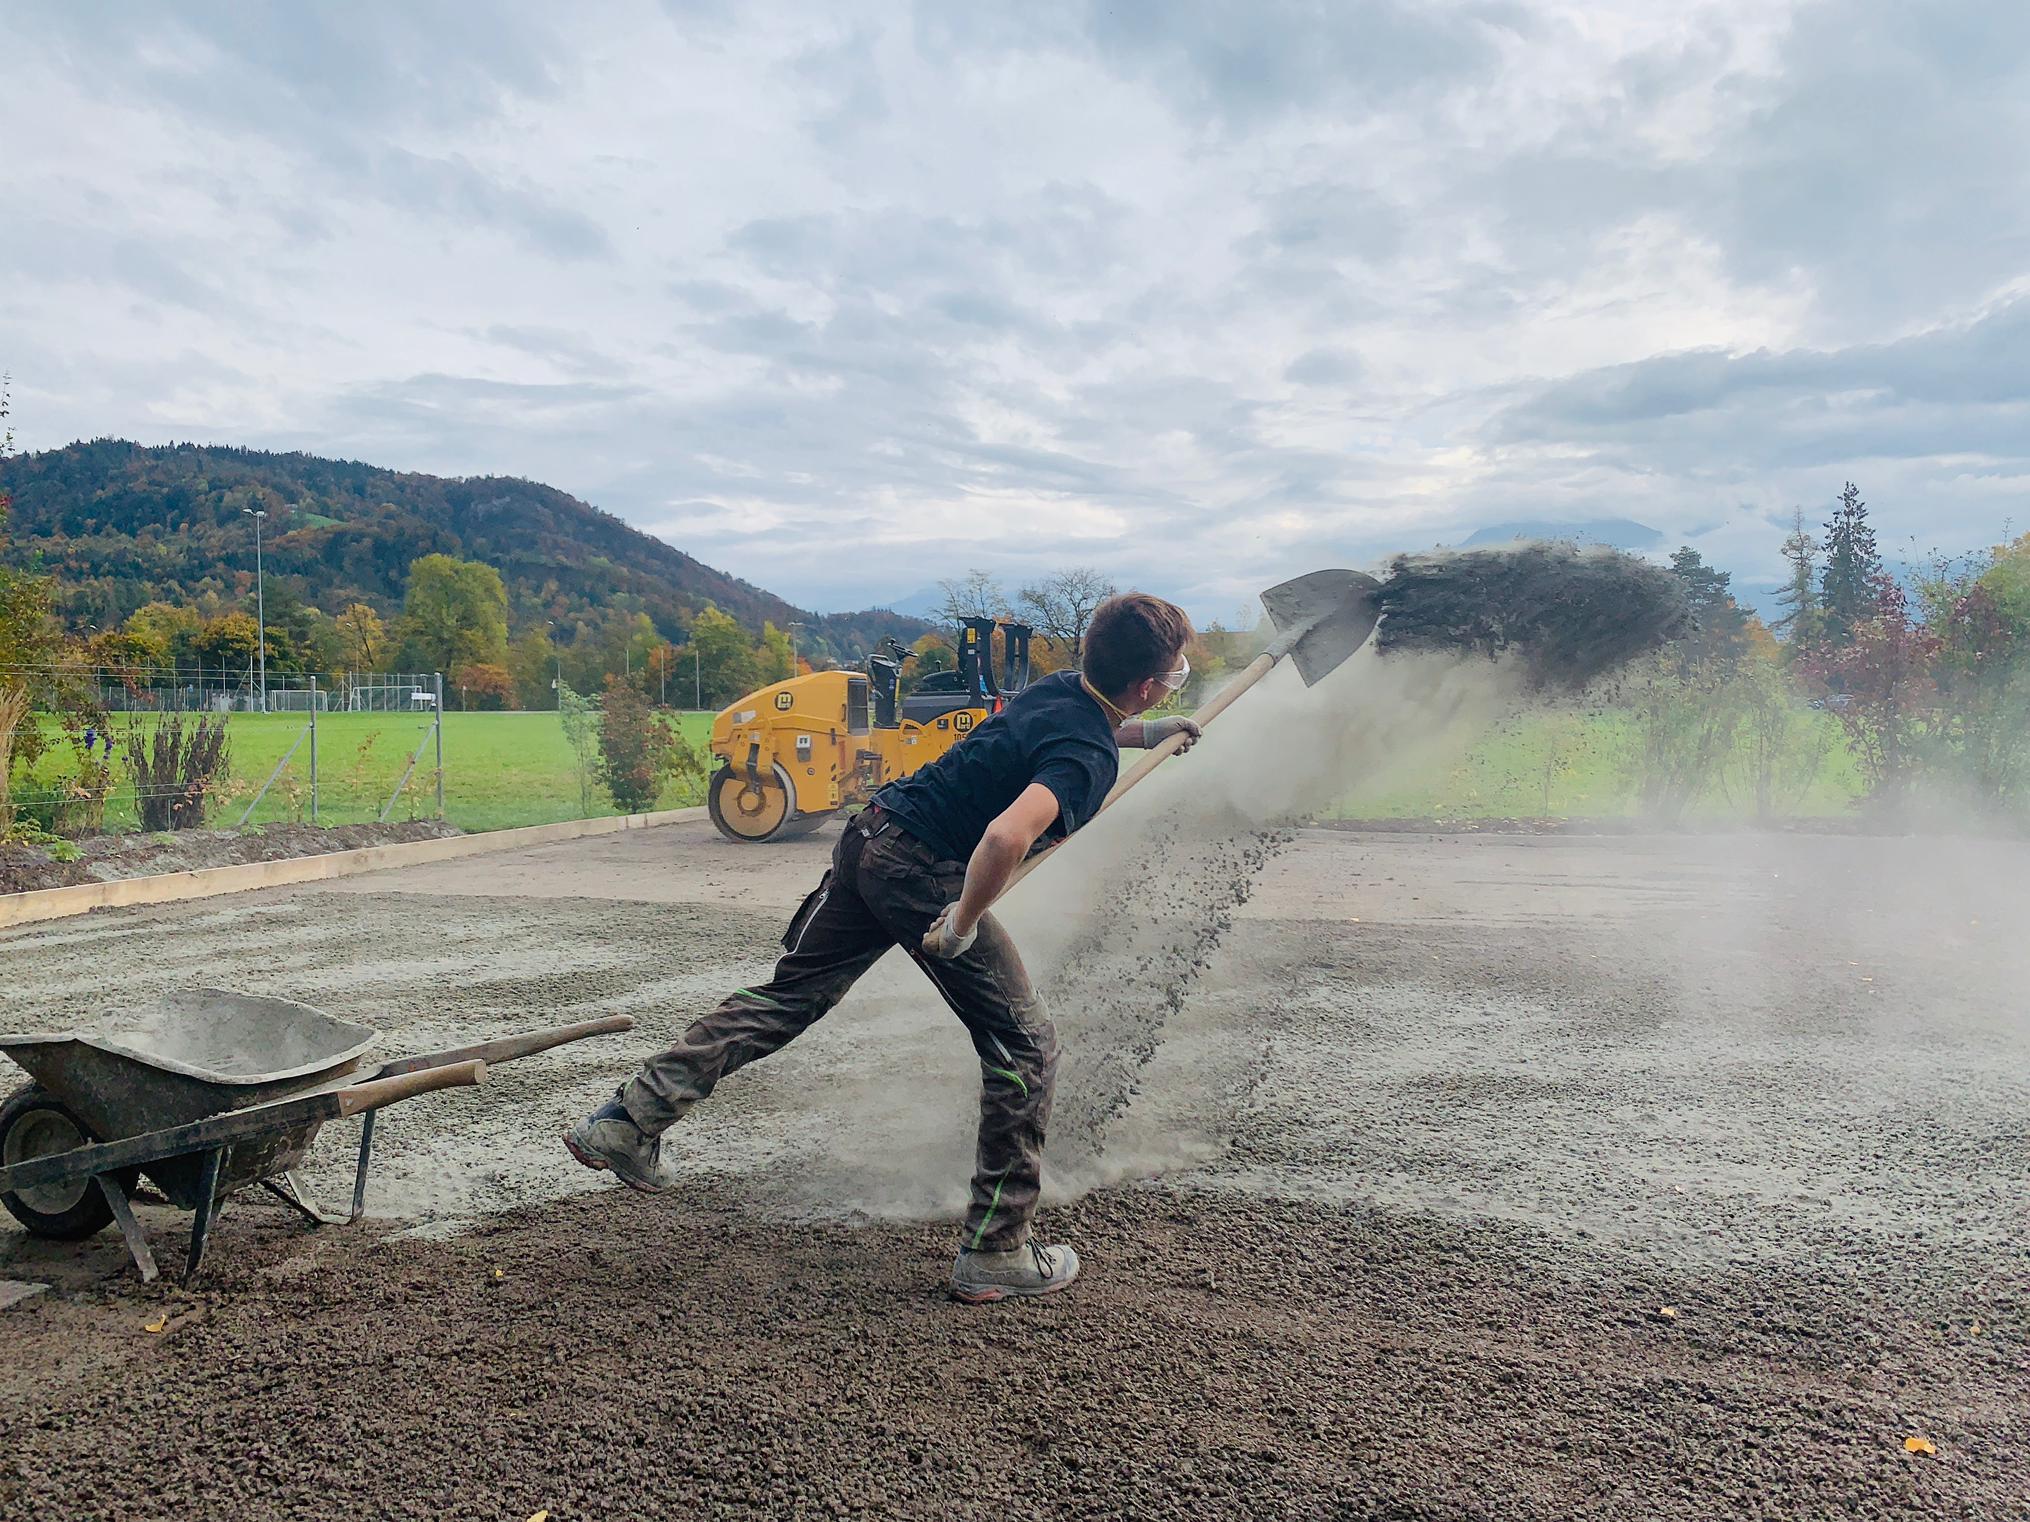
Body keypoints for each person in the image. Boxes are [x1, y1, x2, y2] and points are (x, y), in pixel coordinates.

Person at [566, 593, 1201, 1302]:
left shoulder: (1059, 692)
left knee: (788, 998)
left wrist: (1147, 733)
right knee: (1025, 1048)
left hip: (871, 834)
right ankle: (997, 1249)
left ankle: (626, 1122)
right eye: (1172, 677)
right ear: (1144, 683)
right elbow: (1005, 838)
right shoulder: (1084, 756)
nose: (1173, 685)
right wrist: (961, 922)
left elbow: (1065, 731)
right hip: (924, 874)